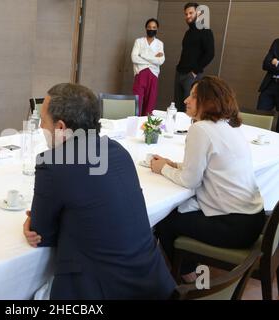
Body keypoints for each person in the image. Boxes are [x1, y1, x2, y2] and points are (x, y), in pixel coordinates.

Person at [23, 83, 175, 299]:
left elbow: (42, 235)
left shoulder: (53, 163)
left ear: (60, 128)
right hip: (151, 285)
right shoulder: (119, 151)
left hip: (101, 291)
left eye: (43, 121)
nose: (40, 127)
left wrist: (30, 223)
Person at [151, 76, 265, 283]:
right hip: (253, 219)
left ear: (209, 101)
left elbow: (190, 181)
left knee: (164, 221)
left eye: (194, 96)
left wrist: (163, 169)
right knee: (178, 214)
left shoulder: (201, 128)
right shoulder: (230, 126)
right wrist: (172, 164)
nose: (186, 100)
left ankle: (189, 279)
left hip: (233, 226)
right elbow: (209, 168)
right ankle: (189, 271)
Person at [174, 2, 214, 112]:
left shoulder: (206, 31)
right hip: (179, 73)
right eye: (186, 14)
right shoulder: (188, 32)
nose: (188, 16)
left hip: (192, 76)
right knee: (178, 107)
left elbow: (210, 54)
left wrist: (195, 72)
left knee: (190, 109)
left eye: (191, 13)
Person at [131, 18, 165, 116]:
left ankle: (146, 126)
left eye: (154, 27)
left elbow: (161, 61)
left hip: (153, 75)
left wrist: (143, 56)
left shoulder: (159, 44)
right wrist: (153, 58)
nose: (151, 29)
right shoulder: (139, 41)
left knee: (150, 103)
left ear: (157, 29)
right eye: (149, 27)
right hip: (140, 74)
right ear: (146, 28)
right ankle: (135, 125)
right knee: (137, 101)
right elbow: (134, 58)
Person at [257, 38, 279, 132]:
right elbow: (265, 64)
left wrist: (277, 62)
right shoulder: (277, 42)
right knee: (260, 117)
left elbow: (272, 63)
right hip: (270, 85)